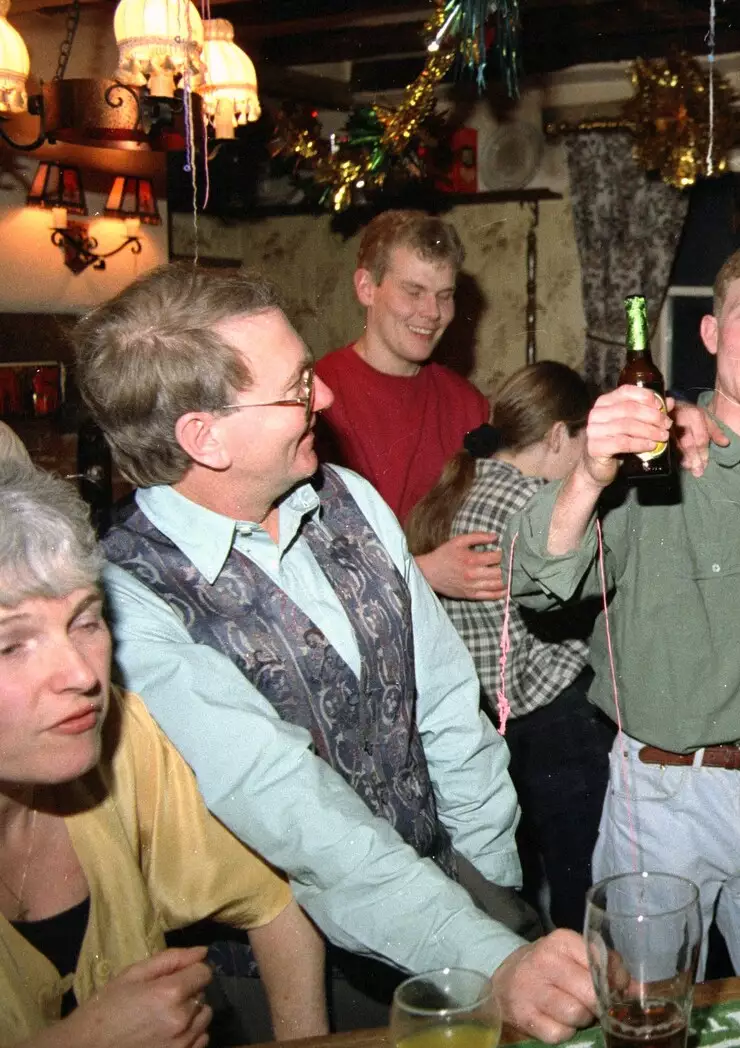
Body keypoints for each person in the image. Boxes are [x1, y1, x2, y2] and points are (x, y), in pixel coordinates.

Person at [74, 264, 596, 1042]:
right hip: (289, 980)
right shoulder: (125, 600)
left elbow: (448, 703)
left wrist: (491, 884)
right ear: (202, 437)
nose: (322, 398)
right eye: (294, 389)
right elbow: (302, 821)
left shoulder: (346, 497)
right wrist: (488, 956)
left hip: (459, 910)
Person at [506, 243, 740, 977]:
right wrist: (589, 471)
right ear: (712, 334)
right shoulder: (658, 459)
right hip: (665, 796)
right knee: (650, 1013)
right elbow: (536, 580)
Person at [0, 459, 327, 1046]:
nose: (79, 674)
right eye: (11, 646)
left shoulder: (120, 745)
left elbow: (276, 901)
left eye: (86, 622)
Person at [406, 361, 613, 933]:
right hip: (546, 728)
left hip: (477, 729)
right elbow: (530, 665)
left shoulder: (460, 485)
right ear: (556, 436)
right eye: (582, 440)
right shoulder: (532, 504)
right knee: (585, 884)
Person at [315, 209, 504, 603]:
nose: (432, 313)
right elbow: (299, 560)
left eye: (444, 296)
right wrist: (423, 571)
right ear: (367, 287)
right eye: (414, 292)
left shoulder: (468, 403)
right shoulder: (317, 396)